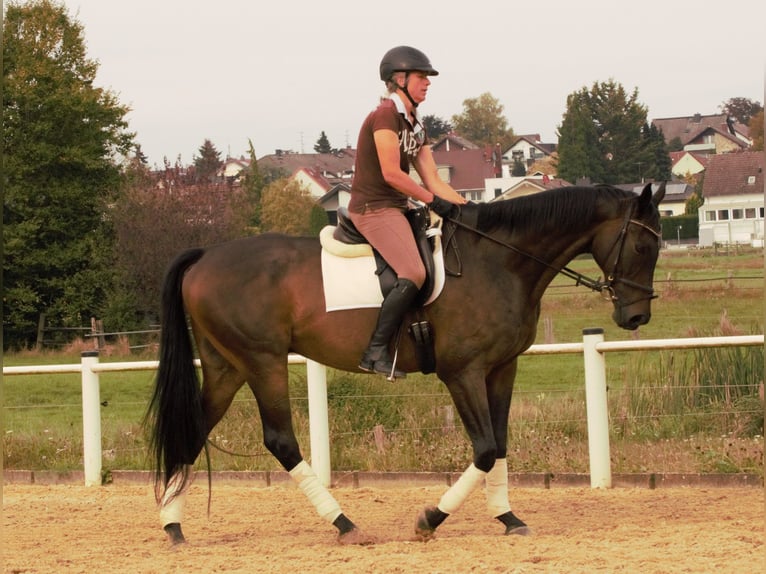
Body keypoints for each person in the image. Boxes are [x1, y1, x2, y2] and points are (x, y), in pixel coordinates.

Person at [348, 45, 467, 378]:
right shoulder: (384, 116)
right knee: (414, 272)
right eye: (421, 77)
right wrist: (431, 200)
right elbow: (391, 173)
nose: (427, 83)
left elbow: (432, 178)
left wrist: (466, 207)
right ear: (399, 79)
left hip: (399, 206)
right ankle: (374, 351)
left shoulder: (415, 123)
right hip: (373, 208)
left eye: (427, 78)